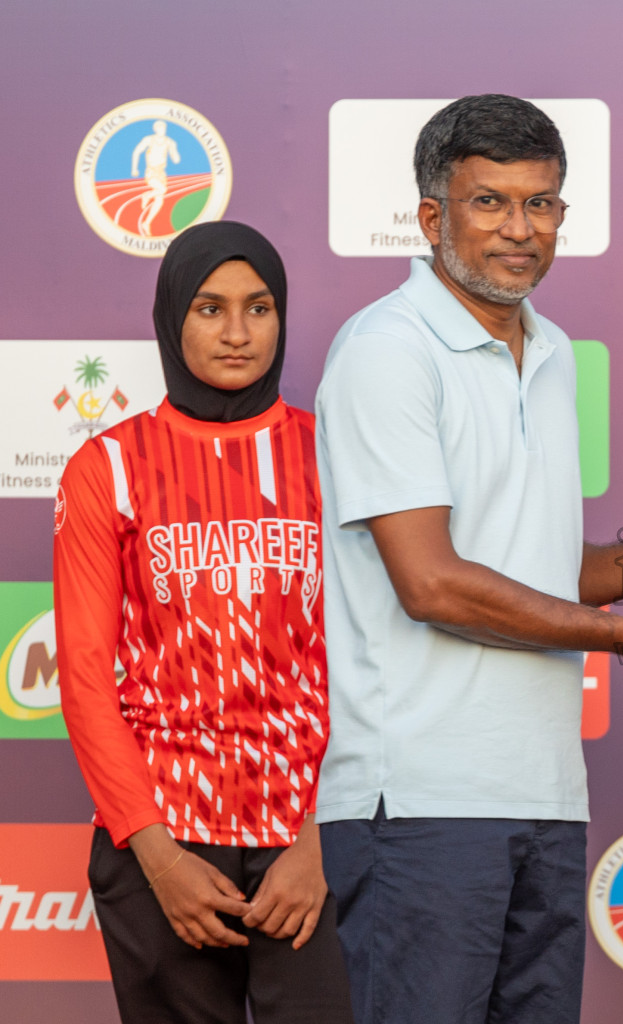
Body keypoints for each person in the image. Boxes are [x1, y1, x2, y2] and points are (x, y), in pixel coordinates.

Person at [314, 93, 623, 1024]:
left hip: (546, 794)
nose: (521, 231)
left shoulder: (551, 351)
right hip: (422, 802)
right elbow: (432, 582)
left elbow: (536, 563)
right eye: (491, 203)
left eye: (542, 203)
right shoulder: (386, 351)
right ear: (433, 216)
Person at [53, 221, 352, 1024]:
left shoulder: (333, 456)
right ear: (172, 316)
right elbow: (83, 673)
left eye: (259, 308)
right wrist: (155, 853)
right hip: (162, 840)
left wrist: (323, 833)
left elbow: (375, 658)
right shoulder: (107, 466)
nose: (236, 333)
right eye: (211, 308)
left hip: (312, 837)